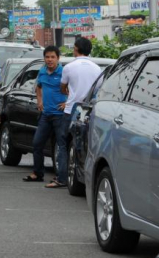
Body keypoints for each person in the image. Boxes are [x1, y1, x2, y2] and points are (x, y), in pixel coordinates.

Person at [23, 45, 68, 187]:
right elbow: (39, 87)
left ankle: (62, 178)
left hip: (59, 116)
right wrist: (40, 101)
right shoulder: (42, 71)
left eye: (52, 57)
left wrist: (67, 103)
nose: (49, 60)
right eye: (47, 57)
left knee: (61, 146)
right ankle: (37, 173)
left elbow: (74, 89)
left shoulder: (63, 72)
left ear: (58, 58)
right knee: (37, 143)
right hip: (45, 114)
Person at [60, 37, 102, 181]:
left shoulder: (69, 67)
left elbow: (63, 87)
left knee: (64, 142)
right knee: (83, 144)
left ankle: (63, 176)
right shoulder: (97, 69)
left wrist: (70, 92)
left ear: (76, 48)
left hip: (71, 109)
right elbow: (98, 89)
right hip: (88, 110)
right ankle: (81, 175)